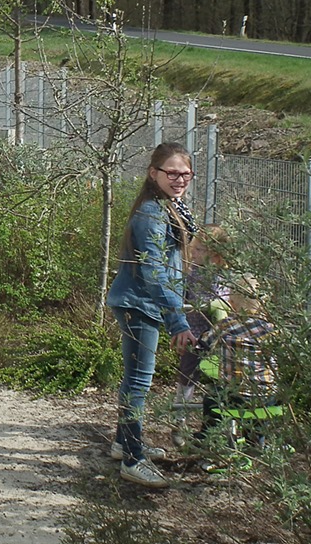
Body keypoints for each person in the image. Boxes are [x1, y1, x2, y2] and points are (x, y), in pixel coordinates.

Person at [106, 142, 198, 488]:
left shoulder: (171, 208)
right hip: (138, 305)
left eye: (185, 174)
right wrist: (177, 320)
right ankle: (133, 459)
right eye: (172, 173)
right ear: (153, 173)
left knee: (136, 379)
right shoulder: (152, 214)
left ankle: (122, 443)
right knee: (139, 382)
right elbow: (154, 273)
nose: (179, 180)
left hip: (143, 303)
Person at [195, 274, 277, 443]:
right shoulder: (270, 330)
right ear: (263, 305)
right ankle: (256, 442)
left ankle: (210, 435)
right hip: (265, 396)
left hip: (234, 395)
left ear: (231, 304)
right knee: (261, 410)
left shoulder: (226, 325)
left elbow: (203, 344)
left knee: (212, 398)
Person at [177, 225, 233, 407]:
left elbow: (223, 302)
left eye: (199, 250)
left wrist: (210, 306)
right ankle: (180, 418)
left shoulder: (223, 275)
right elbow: (183, 294)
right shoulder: (192, 272)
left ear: (216, 255)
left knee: (218, 378)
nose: (193, 253)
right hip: (194, 333)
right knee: (187, 374)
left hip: (217, 336)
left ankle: (214, 422)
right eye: (193, 248)